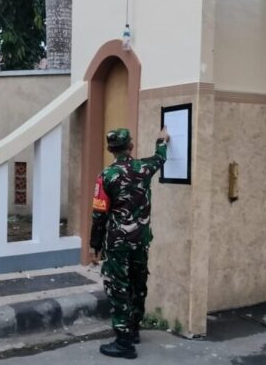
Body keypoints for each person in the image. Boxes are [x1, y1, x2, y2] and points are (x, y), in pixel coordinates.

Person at [89, 127, 168, 359]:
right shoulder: (144, 168)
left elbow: (99, 214)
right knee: (138, 282)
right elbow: (160, 158)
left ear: (109, 149)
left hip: (118, 242)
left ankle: (124, 343)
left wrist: (96, 244)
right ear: (130, 146)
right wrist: (161, 140)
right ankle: (133, 330)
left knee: (118, 286)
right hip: (140, 240)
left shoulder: (106, 176)